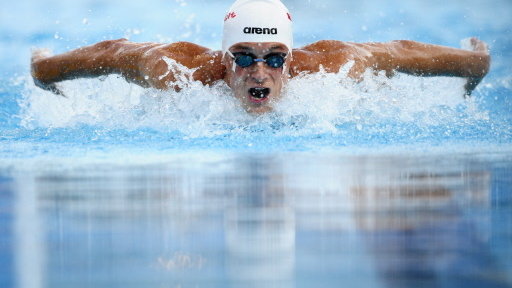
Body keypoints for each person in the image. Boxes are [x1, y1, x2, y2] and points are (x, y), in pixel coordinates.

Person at [31, 0, 490, 114]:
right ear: (223, 58)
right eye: (244, 56)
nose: (258, 71)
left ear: (290, 62)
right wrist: (44, 71)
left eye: (274, 59)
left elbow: (398, 51)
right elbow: (113, 52)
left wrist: (474, 65)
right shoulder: (178, 71)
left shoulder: (329, 68)